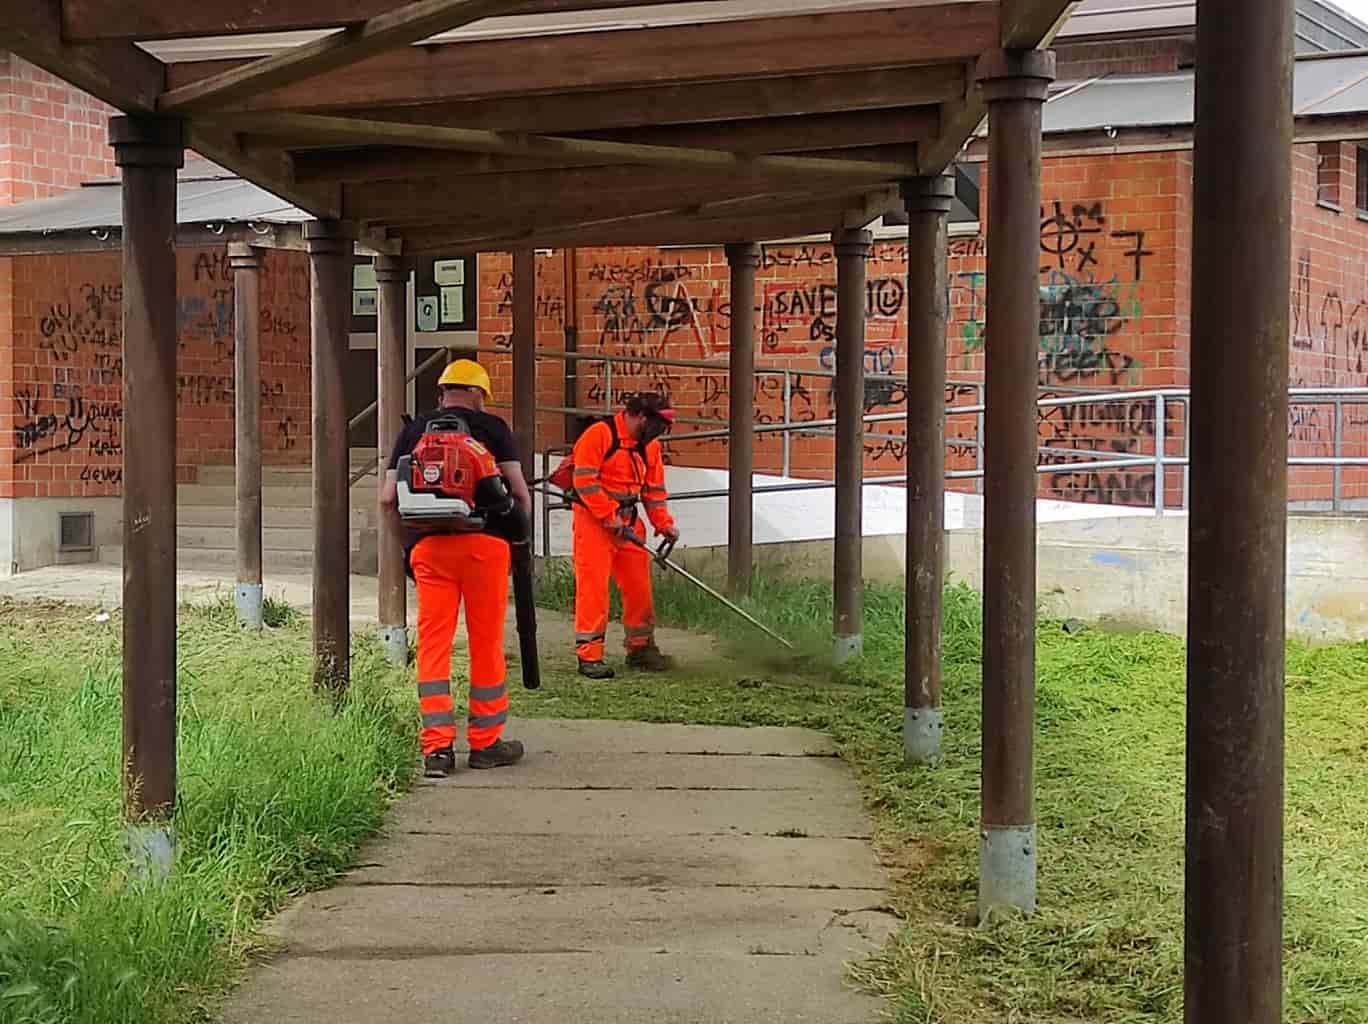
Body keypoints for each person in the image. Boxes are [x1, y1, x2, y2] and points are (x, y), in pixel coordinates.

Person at [380, 359, 533, 778]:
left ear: (441, 392)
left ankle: (437, 750)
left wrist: (408, 550)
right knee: (485, 643)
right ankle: (485, 744)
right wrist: (517, 537)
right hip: (485, 548)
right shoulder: (494, 429)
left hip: (430, 550)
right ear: (480, 395)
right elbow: (519, 495)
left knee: (434, 645)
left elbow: (387, 498)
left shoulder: (413, 433)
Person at [570, 392, 681, 679]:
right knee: (593, 589)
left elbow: (653, 491)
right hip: (593, 523)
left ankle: (640, 648)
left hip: (630, 523)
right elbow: (584, 480)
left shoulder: (650, 447)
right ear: (641, 417)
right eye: (657, 426)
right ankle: (590, 655)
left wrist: (663, 523)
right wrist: (608, 515)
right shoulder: (600, 435)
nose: (658, 434)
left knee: (638, 588)